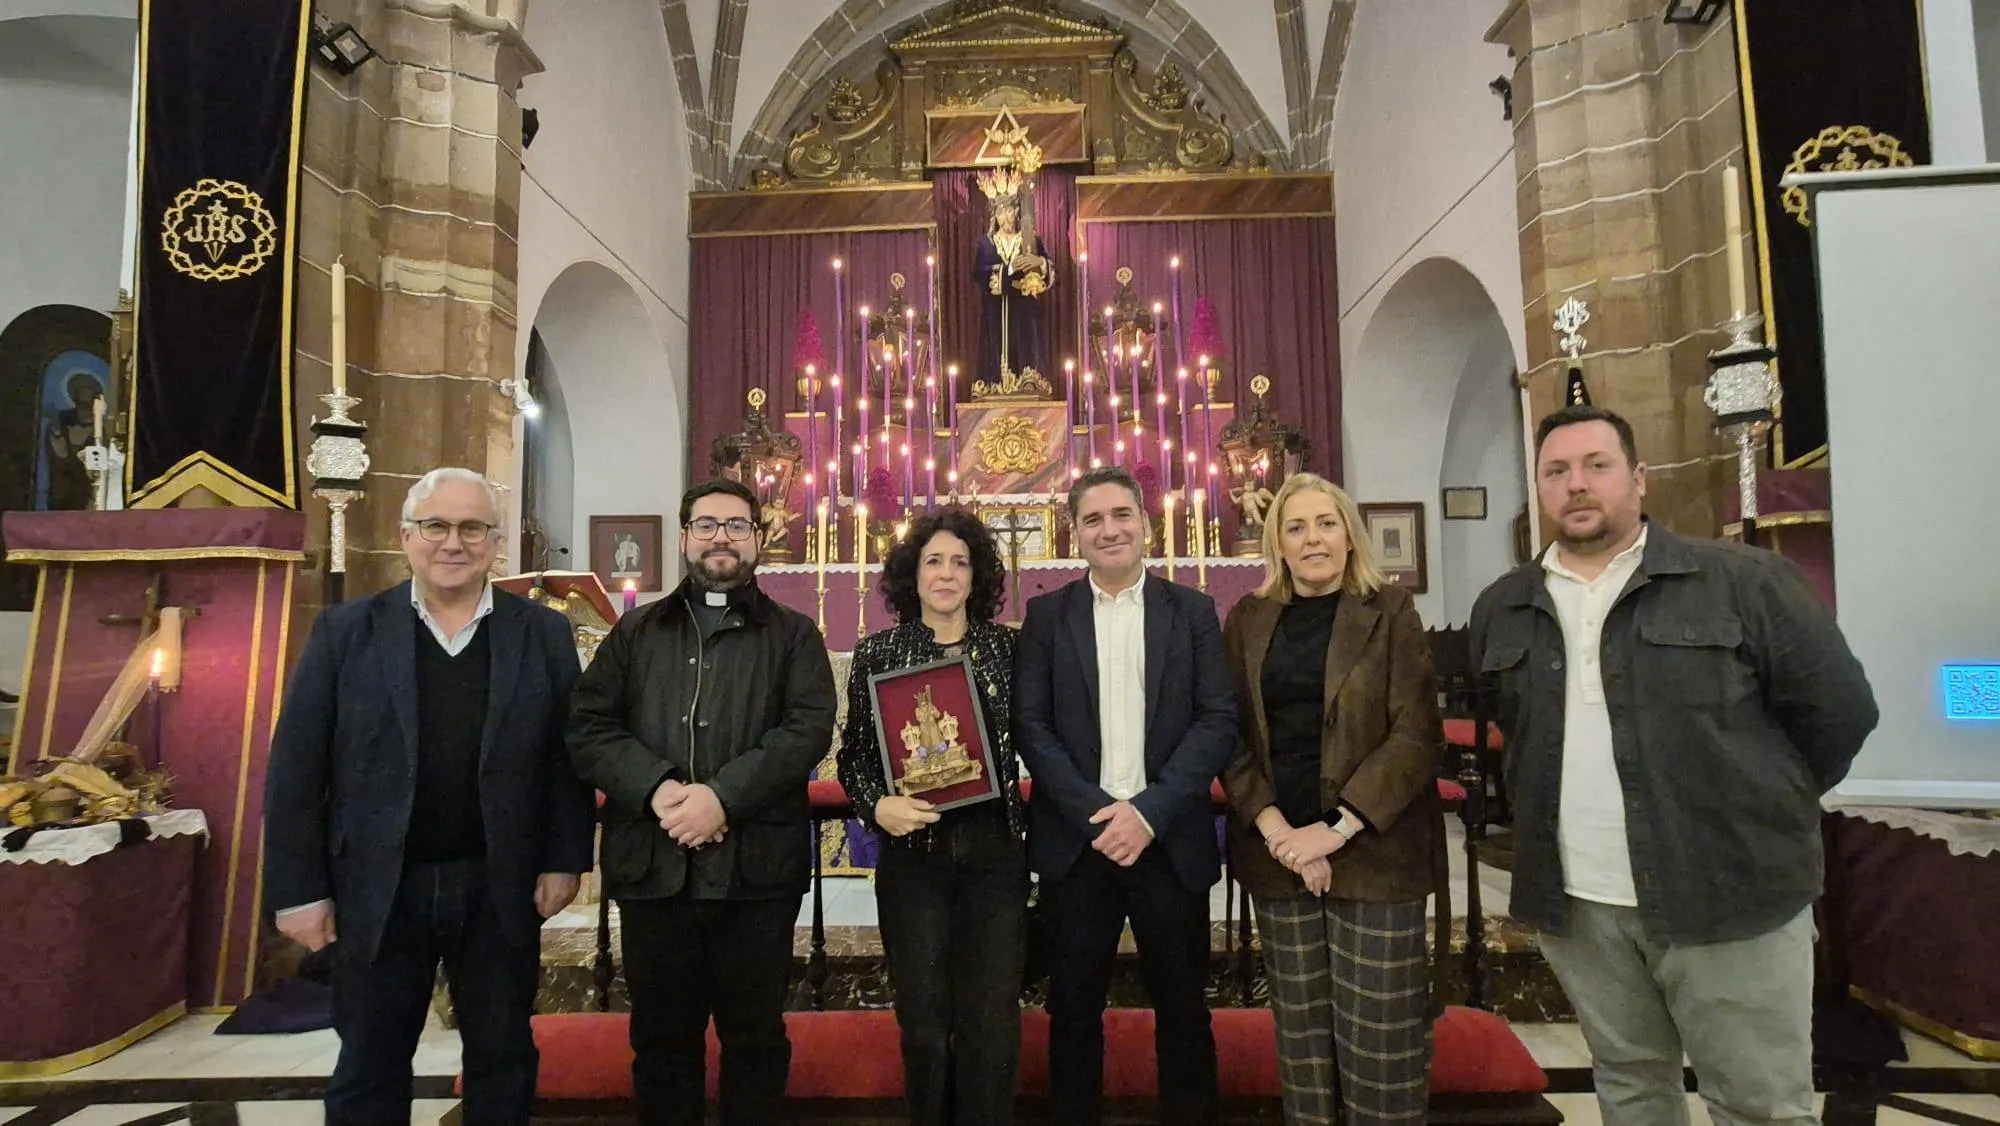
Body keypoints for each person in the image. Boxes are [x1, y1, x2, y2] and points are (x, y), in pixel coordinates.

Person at [1469, 405, 1878, 1126]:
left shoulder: (1744, 582)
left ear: (1639, 479)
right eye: (1557, 471)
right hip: (1580, 902)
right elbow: (1512, 727)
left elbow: (1839, 714)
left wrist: (1757, 807)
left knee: (1759, 1105)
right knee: (1630, 1088)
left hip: (1727, 893)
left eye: (1597, 465)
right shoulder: (1504, 606)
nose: (1577, 484)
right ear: (1539, 488)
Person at [263, 467, 595, 1126]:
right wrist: (298, 889)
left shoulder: (542, 633)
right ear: (406, 536)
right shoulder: (346, 631)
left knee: (502, 1055)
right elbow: (297, 767)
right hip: (378, 886)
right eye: (436, 525)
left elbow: (566, 758)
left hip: (498, 882)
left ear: (495, 542)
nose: (453, 542)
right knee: (370, 1062)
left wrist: (565, 859)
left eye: (472, 528)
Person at [568, 478, 836, 1126]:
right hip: (655, 872)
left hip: (755, 876)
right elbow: (588, 726)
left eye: (737, 526)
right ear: (685, 537)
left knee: (756, 1040)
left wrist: (721, 798)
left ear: (758, 539)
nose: (722, 537)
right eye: (708, 525)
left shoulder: (795, 636)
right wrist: (658, 788)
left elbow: (806, 731)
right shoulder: (636, 632)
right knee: (661, 1042)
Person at [1012, 465, 1237, 1126]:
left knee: (1184, 1011)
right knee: (1073, 1011)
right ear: (1074, 533)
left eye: (1121, 515)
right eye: (1093, 519)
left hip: (1168, 842)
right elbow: (1031, 725)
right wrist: (1097, 817)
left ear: (1145, 523)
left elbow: (1217, 719)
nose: (1109, 529)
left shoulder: (1192, 611)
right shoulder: (1046, 616)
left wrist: (1148, 813)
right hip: (1078, 848)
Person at [1220, 472, 1443, 1125]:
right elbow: (1229, 733)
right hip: (1281, 856)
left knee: (1381, 1050)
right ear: (1277, 543)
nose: (1312, 538)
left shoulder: (1390, 611)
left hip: (1374, 855)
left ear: (1349, 535)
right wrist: (1280, 833)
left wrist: (1335, 830)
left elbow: (1415, 733)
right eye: (1295, 527)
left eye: (1325, 523)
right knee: (1304, 1051)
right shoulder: (1248, 619)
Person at [837, 509, 1027, 1126]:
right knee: (922, 1023)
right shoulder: (877, 654)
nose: (947, 574)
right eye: (933, 561)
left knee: (991, 1022)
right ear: (911, 574)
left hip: (994, 856)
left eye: (960, 562)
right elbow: (854, 757)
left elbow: (1039, 738)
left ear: (977, 576)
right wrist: (877, 804)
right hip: (914, 859)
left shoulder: (1008, 649)